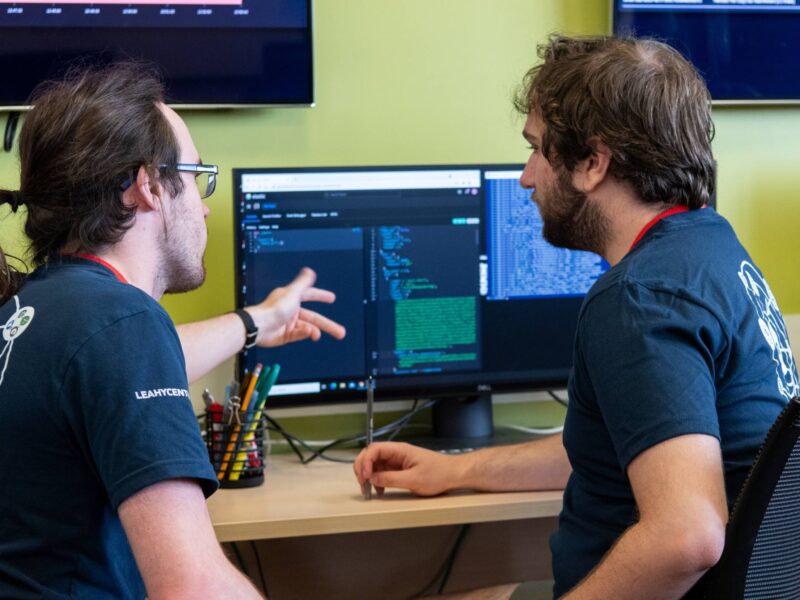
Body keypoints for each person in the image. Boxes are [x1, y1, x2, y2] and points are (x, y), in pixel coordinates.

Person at [354, 35, 800, 599]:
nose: (526, 177)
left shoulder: (639, 298)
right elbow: (640, 442)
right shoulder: (712, 249)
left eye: (538, 149)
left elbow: (688, 536)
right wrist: (457, 471)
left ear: (593, 163)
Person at [0, 63, 344, 598]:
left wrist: (257, 321)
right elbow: (193, 586)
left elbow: (113, 378)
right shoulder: (123, 324)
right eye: (196, 178)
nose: (204, 209)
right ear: (148, 187)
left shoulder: (35, 309)